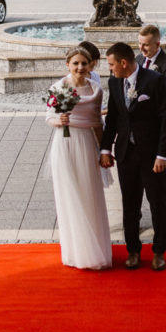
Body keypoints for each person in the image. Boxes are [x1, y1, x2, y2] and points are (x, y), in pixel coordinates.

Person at [100, 42, 166, 272]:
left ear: (124, 63)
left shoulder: (154, 80)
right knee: (129, 204)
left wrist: (163, 154)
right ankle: (132, 250)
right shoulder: (114, 83)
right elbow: (113, 118)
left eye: (112, 65)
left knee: (158, 204)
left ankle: (159, 251)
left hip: (153, 155)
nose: (110, 69)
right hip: (125, 154)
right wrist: (105, 150)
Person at [45, 47, 112, 270]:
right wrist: (59, 120)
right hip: (64, 145)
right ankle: (75, 251)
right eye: (75, 63)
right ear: (68, 65)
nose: (80, 67)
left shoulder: (96, 90)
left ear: (90, 65)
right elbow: (49, 117)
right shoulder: (58, 88)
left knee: (89, 194)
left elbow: (97, 123)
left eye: (84, 63)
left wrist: (105, 151)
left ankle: (95, 250)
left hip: (86, 144)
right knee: (69, 196)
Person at [136, 24, 166, 102]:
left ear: (157, 44)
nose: (141, 48)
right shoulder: (138, 58)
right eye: (139, 43)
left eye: (146, 45)